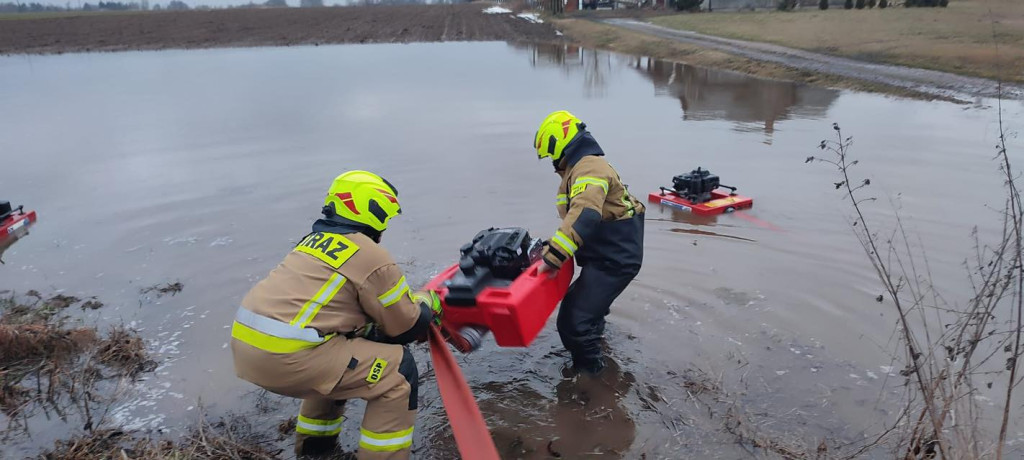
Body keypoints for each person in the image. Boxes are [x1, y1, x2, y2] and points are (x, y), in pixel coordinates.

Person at [230, 170, 441, 459]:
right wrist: (427, 302)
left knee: (340, 351)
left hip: (248, 349)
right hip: (289, 359)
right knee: (398, 371)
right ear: (374, 211)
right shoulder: (369, 254)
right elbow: (405, 328)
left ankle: (316, 451)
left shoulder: (310, 242)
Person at [533, 110, 645, 375]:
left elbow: (585, 214)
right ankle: (597, 348)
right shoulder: (578, 169)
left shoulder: (589, 167)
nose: (552, 162)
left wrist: (553, 258)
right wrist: (549, 247)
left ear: (559, 145)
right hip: (603, 256)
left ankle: (592, 380)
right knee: (587, 313)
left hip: (615, 260)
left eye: (551, 155)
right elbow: (575, 218)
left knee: (574, 321)